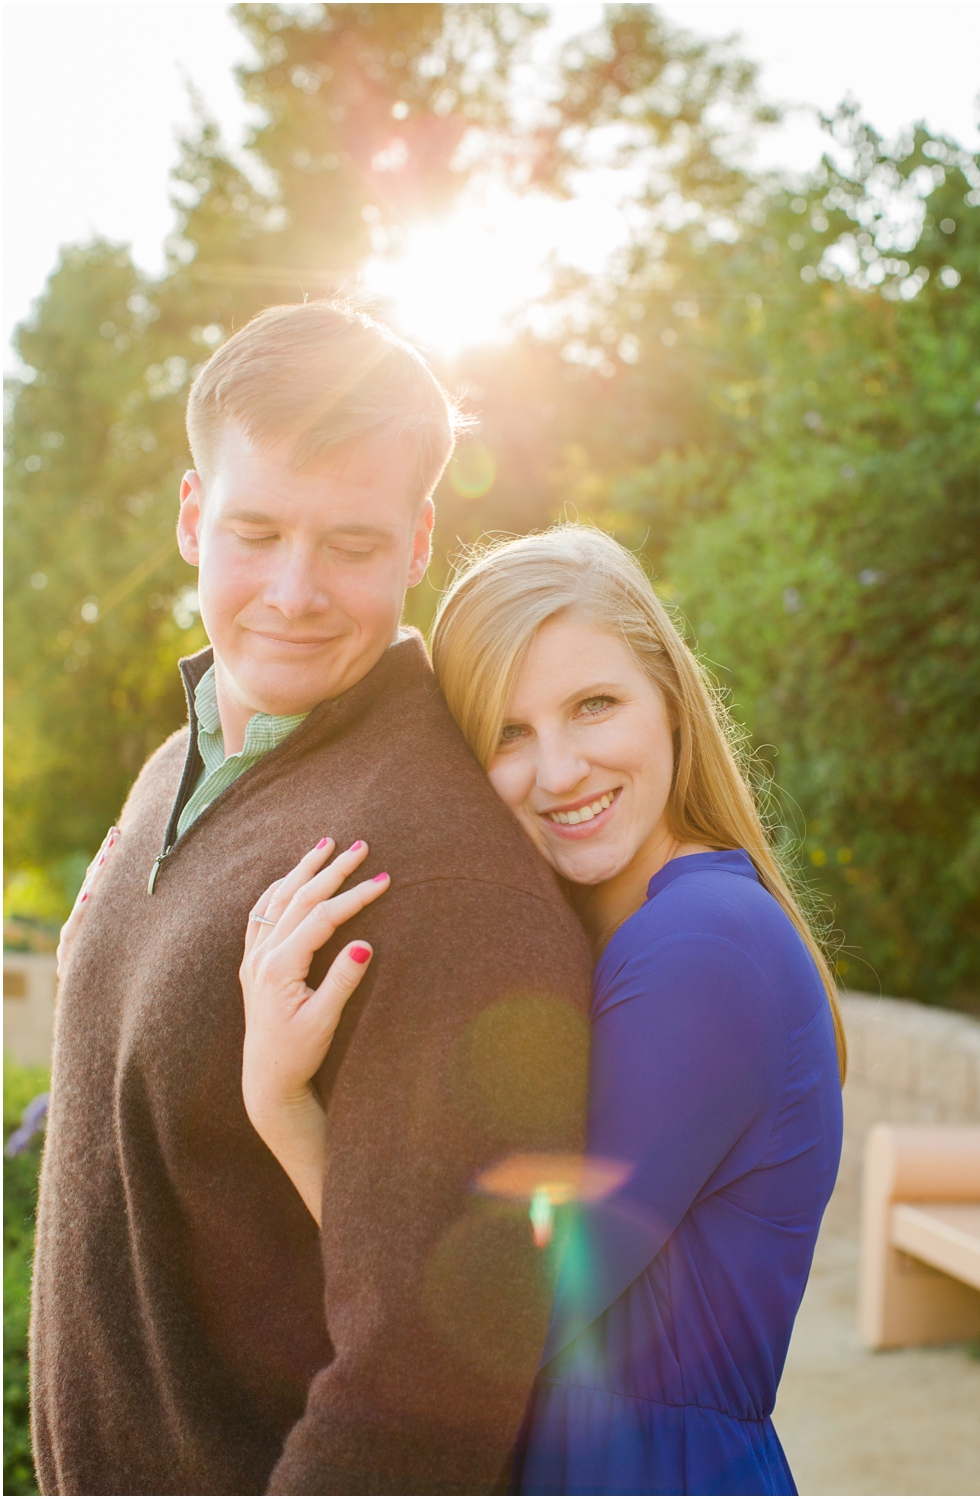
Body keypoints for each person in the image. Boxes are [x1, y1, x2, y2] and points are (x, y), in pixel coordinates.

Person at [34, 301, 596, 1494]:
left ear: (417, 540)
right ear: (194, 517)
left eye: (348, 542)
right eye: (255, 530)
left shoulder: (435, 872)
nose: (292, 590)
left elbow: (426, 1388)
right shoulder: (182, 762)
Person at [234, 524, 847, 1496]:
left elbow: (501, 1314)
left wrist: (279, 1103)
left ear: (671, 706)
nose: (558, 770)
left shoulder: (698, 943)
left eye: (593, 704)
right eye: (507, 734)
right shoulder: (626, 939)